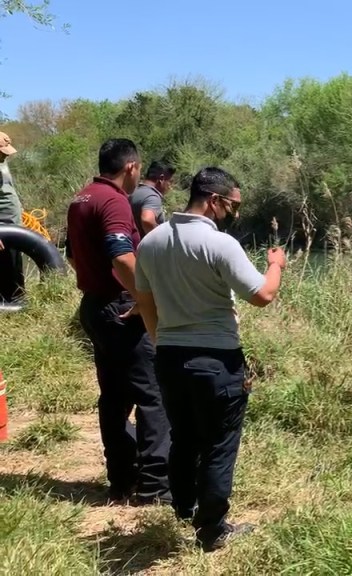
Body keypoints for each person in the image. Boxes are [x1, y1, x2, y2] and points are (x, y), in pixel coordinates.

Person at [135, 166, 286, 552]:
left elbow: (145, 303)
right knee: (219, 444)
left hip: (169, 358)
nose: (235, 212)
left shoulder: (150, 242)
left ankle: (184, 507)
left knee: (183, 437)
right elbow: (262, 295)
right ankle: (212, 529)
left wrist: (162, 343)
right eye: (233, 205)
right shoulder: (220, 244)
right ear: (214, 201)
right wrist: (276, 265)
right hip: (216, 361)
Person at [65, 138, 171, 505]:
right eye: (138, 169)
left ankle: (122, 481)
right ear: (131, 167)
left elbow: (72, 255)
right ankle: (155, 486)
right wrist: (144, 297)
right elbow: (122, 255)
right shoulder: (113, 201)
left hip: (95, 306)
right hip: (122, 308)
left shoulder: (82, 198)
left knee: (113, 395)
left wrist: (96, 282)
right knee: (152, 395)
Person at [0, 131, 25, 304]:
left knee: (16, 265)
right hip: (2, 226)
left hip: (14, 223)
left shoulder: (2, 163)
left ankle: (18, 303)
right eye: (2, 152)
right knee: (4, 266)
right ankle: (6, 306)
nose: (5, 155)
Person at [129, 160, 176, 237]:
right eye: (170, 181)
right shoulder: (152, 197)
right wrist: (159, 239)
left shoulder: (134, 191)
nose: (170, 186)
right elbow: (147, 220)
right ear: (161, 179)